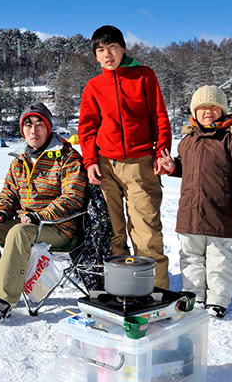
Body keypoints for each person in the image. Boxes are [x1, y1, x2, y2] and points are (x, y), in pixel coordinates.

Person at [78, 25, 172, 289]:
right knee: (112, 234)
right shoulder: (94, 86)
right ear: (96, 56)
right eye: (100, 50)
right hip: (105, 166)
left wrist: (160, 151)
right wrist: (90, 162)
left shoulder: (144, 76)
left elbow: (159, 117)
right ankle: (121, 290)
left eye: (112, 48)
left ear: (123, 49)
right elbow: (86, 128)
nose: (107, 54)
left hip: (140, 165)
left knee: (146, 232)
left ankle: (155, 292)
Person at [0, 103, 88, 321]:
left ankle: (3, 300)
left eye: (39, 125)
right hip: (27, 222)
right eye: (28, 125)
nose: (33, 131)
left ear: (48, 127)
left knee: (18, 232)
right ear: (22, 129)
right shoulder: (19, 160)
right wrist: (1, 213)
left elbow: (72, 198)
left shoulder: (67, 157)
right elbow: (8, 194)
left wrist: (41, 216)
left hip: (60, 227)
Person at [158, 85, 232, 319]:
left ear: (223, 111)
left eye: (214, 107)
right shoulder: (188, 141)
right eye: (202, 108)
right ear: (194, 112)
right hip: (190, 213)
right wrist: (173, 168)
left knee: (218, 259)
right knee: (190, 258)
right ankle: (194, 296)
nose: (208, 112)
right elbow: (187, 169)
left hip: (221, 213)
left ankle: (218, 300)